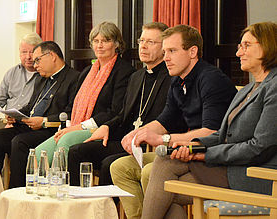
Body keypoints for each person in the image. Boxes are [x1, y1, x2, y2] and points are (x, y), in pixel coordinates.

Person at [141, 21, 277, 219]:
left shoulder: (274, 87)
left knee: (164, 188)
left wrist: (205, 154)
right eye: (240, 46)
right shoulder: (248, 89)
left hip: (258, 176)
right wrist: (192, 145)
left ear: (268, 45)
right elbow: (222, 135)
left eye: (246, 46)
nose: (239, 53)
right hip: (233, 167)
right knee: (165, 165)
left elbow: (260, 148)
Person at [110, 24, 237, 218]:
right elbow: (165, 121)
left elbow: (211, 132)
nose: (166, 58)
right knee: (120, 168)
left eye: (172, 51)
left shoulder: (211, 79)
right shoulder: (178, 80)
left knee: (151, 172)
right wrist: (137, 133)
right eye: (165, 51)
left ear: (192, 51)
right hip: (186, 152)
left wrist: (162, 140)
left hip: (209, 155)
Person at [68, 22, 171, 190]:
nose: (143, 47)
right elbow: (123, 113)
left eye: (151, 42)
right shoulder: (138, 76)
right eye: (141, 41)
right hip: (125, 139)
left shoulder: (170, 77)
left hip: (149, 143)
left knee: (109, 163)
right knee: (77, 151)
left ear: (165, 47)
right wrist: (107, 126)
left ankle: (106, 211)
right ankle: (80, 205)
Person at [34, 21, 135, 177]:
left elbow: (115, 112)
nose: (100, 45)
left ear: (116, 44)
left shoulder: (124, 71)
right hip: (77, 126)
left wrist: (78, 127)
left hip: (104, 129)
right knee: (39, 154)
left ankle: (64, 192)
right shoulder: (87, 72)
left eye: (105, 41)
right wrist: (68, 127)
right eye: (96, 41)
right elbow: (74, 106)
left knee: (65, 143)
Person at [0, 41, 80, 188]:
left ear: (52, 56)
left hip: (52, 130)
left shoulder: (74, 78)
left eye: (37, 60)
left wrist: (44, 121)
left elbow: (71, 113)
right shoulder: (40, 79)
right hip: (30, 127)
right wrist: (15, 115)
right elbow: (31, 106)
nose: (35, 65)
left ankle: (17, 192)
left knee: (20, 142)